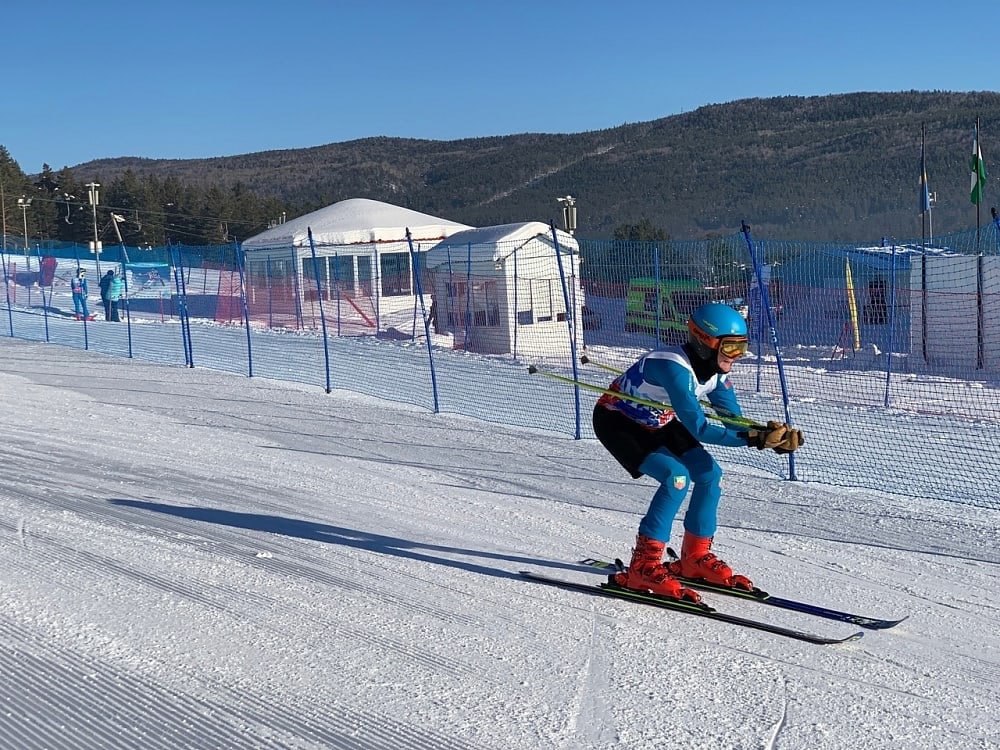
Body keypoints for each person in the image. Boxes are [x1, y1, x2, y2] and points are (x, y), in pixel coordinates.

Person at [592, 302, 803, 601]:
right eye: (730, 348)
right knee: (676, 478)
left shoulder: (715, 372)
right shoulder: (673, 367)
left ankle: (693, 558)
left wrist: (768, 436)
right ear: (705, 341)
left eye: (742, 347)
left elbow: (732, 420)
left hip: (659, 421)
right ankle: (644, 566)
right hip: (618, 421)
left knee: (710, 474)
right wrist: (754, 439)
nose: (737, 356)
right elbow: (700, 428)